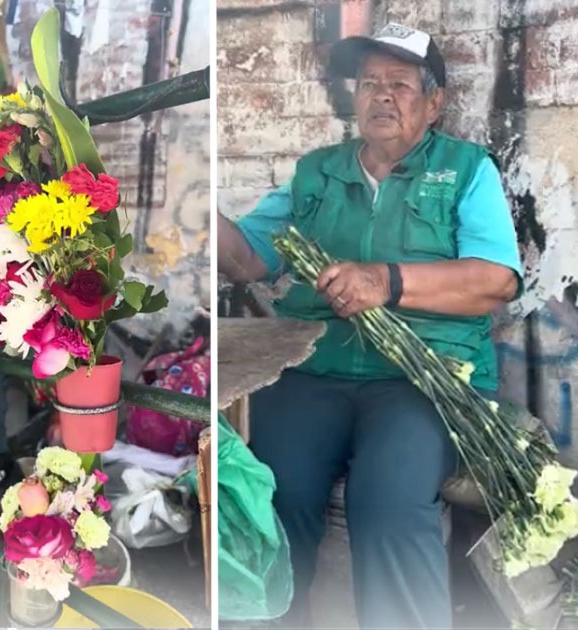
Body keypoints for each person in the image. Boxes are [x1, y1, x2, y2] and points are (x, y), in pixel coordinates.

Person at [218, 23, 522, 629]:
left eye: (401, 84)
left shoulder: (467, 170)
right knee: (270, 491)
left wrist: (387, 281)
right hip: (315, 367)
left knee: (388, 501)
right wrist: (203, 214)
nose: (382, 95)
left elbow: (497, 281)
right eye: (369, 83)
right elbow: (248, 260)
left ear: (434, 103)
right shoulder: (317, 173)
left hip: (426, 375)